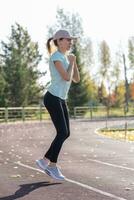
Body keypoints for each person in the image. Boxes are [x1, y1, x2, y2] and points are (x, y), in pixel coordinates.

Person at [36, 29, 80, 180]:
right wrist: (72, 62)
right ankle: (52, 165)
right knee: (62, 132)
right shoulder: (56, 57)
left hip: (61, 98)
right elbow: (67, 77)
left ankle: (44, 160)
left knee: (66, 133)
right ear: (59, 41)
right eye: (68, 40)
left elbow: (76, 79)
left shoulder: (65, 58)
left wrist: (74, 62)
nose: (70, 42)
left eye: (71, 40)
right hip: (53, 97)